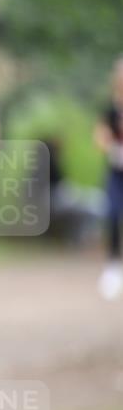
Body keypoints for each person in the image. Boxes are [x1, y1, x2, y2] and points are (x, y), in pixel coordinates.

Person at [94, 56, 123, 300]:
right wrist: (112, 148)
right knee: (112, 215)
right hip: (116, 173)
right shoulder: (111, 110)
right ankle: (113, 268)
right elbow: (100, 138)